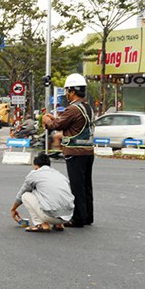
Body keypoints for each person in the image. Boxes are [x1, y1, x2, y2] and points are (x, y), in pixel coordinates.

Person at [42, 73, 95, 228]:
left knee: (77, 186)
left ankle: (78, 218)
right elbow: (67, 123)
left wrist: (46, 121)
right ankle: (88, 216)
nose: (66, 94)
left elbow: (56, 126)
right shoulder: (87, 107)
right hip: (88, 152)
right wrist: (55, 118)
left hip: (75, 152)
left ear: (72, 91)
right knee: (86, 186)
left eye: (67, 90)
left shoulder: (73, 108)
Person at [10, 153, 74, 232]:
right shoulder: (60, 175)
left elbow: (22, 193)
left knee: (25, 195)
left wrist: (13, 209)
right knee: (49, 192)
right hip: (67, 216)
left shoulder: (34, 174)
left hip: (50, 216)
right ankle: (59, 224)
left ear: (36, 166)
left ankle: (40, 224)